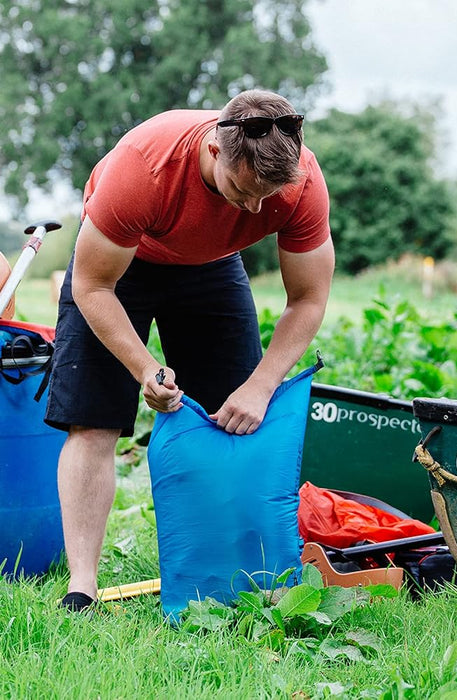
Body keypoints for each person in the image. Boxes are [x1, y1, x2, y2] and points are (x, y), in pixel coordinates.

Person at [43, 89, 335, 612]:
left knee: (235, 420)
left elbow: (309, 299)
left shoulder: (301, 183)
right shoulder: (144, 168)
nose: (256, 209)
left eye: (269, 196)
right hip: (118, 269)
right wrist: (145, 369)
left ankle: (224, 573)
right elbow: (91, 287)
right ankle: (81, 586)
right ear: (216, 150)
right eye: (243, 192)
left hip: (211, 268)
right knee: (93, 420)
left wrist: (261, 385)